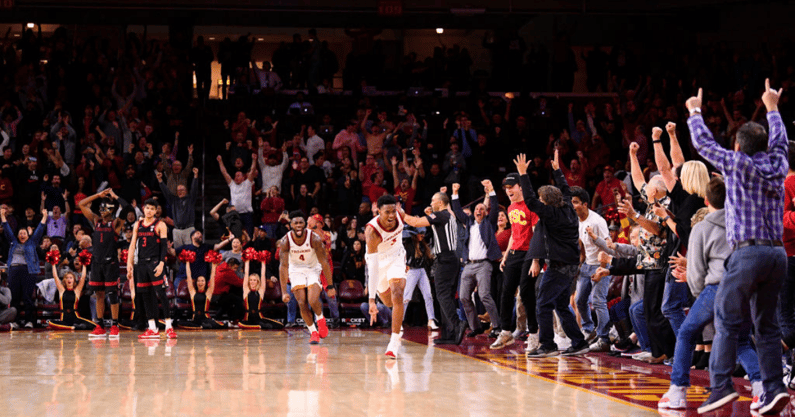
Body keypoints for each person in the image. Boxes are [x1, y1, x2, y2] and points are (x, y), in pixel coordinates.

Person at [686, 81, 790, 414]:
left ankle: (720, 388)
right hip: (777, 255)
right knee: (768, 325)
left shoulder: (738, 164)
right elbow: (781, 141)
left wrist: (695, 112)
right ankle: (774, 388)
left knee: (727, 320)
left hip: (748, 253)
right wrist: (772, 108)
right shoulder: (777, 165)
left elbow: (703, 143)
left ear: (738, 146)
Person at [658, 177, 765, 411]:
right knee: (742, 341)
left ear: (706, 200)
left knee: (686, 332)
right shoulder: (746, 223)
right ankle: (761, 388)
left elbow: (696, 272)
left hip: (717, 288)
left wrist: (701, 297)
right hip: (745, 287)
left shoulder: (702, 227)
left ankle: (677, 392)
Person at [515, 151, 590, 357]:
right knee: (560, 304)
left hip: (559, 267)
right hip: (570, 266)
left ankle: (548, 345)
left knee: (543, 303)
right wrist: (557, 170)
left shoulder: (552, 213)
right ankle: (579, 341)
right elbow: (565, 189)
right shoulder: (566, 207)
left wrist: (523, 175)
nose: (539, 201)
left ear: (546, 201)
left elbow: (530, 201)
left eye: (542, 199)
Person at [403, 191, 467, 346]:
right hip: (451, 258)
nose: (430, 203)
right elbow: (437, 229)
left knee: (442, 294)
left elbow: (416, 223)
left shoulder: (442, 215)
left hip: (445, 259)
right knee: (447, 296)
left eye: (433, 200)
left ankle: (457, 323)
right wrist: (431, 214)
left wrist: (400, 213)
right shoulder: (447, 216)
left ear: (441, 202)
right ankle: (449, 333)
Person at [489, 171, 539, 350]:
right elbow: (514, 235)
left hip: (529, 253)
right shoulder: (510, 208)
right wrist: (506, 255)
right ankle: (506, 332)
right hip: (514, 253)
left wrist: (535, 259)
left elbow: (536, 235)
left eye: (511, 187)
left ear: (520, 187)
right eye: (506, 188)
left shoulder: (531, 206)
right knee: (506, 292)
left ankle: (534, 333)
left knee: (526, 293)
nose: (508, 190)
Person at [450, 180, 502, 337]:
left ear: (486, 212)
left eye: (482, 208)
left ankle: (497, 326)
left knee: (484, 295)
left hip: (484, 265)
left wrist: (491, 190)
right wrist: (455, 193)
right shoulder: (468, 223)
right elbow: (458, 210)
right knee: (464, 297)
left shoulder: (489, 223)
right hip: (468, 265)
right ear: (473, 212)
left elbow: (494, 207)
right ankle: (476, 327)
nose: (479, 210)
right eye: (477, 208)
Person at [278, 211, 333, 344]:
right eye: (295, 223)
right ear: (290, 224)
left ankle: (320, 319)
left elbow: (324, 261)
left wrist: (330, 286)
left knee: (313, 300)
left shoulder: (314, 238)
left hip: (312, 268)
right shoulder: (285, 241)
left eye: (301, 222)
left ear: (305, 224)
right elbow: (283, 267)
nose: (298, 225)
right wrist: (284, 291)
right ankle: (313, 332)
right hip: (296, 270)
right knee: (302, 302)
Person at [363, 195, 408, 357]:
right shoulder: (372, 232)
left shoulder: (400, 215)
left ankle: (394, 341)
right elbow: (373, 269)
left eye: (393, 211)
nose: (391, 215)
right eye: (387, 212)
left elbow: (416, 222)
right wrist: (372, 300)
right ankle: (397, 312)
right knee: (389, 301)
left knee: (397, 294)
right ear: (378, 212)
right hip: (379, 262)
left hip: (396, 257)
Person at [79, 188, 126, 339]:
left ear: (111, 210)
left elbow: (128, 208)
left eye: (105, 207)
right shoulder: (96, 221)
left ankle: (114, 325)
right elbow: (81, 204)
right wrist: (97, 195)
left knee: (112, 295)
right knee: (98, 294)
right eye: (100, 207)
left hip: (110, 263)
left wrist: (115, 196)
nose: (101, 210)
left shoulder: (116, 223)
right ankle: (99, 325)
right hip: (97, 263)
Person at [127, 199, 177, 340]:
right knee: (145, 295)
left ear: (156, 211)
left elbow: (163, 247)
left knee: (161, 294)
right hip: (141, 264)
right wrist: (129, 263)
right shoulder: (138, 224)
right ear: (143, 209)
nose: (149, 210)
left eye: (152, 208)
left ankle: (168, 327)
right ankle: (152, 328)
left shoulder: (160, 225)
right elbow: (132, 245)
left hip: (155, 262)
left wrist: (161, 264)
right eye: (147, 208)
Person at [569, 185, 611, 352]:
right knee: (579, 301)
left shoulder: (597, 221)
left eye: (576, 202)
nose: (572, 206)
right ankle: (589, 330)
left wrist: (601, 269)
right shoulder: (577, 221)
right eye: (571, 202)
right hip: (587, 265)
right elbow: (582, 245)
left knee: (599, 301)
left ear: (585, 204)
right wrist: (581, 263)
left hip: (602, 264)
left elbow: (607, 246)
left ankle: (604, 338)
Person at [1, 206, 47, 328]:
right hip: (14, 270)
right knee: (14, 296)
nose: (22, 235)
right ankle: (15, 321)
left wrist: (45, 217)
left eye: (24, 233)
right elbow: (6, 229)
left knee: (27, 296)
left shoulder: (32, 242)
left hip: (28, 271)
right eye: (20, 233)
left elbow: (39, 230)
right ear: (17, 235)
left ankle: (29, 321)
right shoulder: (13, 242)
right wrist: (2, 216)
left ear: (28, 235)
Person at [402, 228, 438, 330]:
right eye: (420, 233)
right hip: (412, 271)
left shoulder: (423, 245)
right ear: (415, 234)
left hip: (421, 271)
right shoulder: (408, 244)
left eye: (423, 233)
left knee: (428, 295)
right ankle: (399, 321)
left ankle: (431, 320)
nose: (423, 235)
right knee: (406, 297)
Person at [307, 214, 340, 328]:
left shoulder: (327, 234)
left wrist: (314, 230)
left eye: (316, 222)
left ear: (321, 224)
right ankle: (319, 320)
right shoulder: (307, 234)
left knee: (330, 295)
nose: (313, 224)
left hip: (325, 266)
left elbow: (324, 245)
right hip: (312, 266)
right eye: (312, 221)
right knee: (314, 295)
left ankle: (336, 319)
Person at [177, 260, 227, 330]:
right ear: (196, 282)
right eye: (198, 281)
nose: (200, 283)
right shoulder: (193, 292)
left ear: (205, 282)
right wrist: (187, 262)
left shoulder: (208, 293)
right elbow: (189, 276)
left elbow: (212, 277)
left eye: (202, 281)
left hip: (206, 318)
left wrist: (213, 265)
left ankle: (202, 326)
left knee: (219, 325)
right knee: (180, 323)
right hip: (195, 319)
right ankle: (202, 326)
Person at [47, 264, 96, 330]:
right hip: (64, 318)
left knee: (94, 325)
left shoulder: (77, 291)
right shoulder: (61, 290)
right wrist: (53, 264)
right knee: (51, 323)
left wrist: (84, 265)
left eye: (71, 278)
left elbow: (83, 277)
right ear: (64, 280)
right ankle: (74, 327)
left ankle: (73, 327)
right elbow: (55, 277)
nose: (69, 279)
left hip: (75, 317)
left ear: (74, 280)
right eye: (67, 278)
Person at [239, 259, 284, 330]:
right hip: (248, 318)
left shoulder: (260, 291)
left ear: (257, 281)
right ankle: (260, 326)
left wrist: (263, 261)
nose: (252, 282)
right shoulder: (246, 290)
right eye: (251, 280)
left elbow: (263, 275)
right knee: (241, 324)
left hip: (259, 317)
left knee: (279, 325)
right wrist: (247, 260)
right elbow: (246, 273)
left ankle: (260, 325)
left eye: (254, 280)